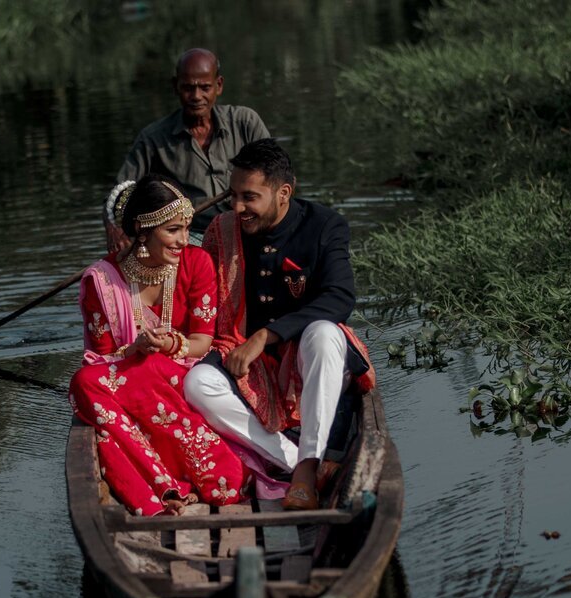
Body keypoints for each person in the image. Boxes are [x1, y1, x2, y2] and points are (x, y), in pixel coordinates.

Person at [182, 139, 375, 511]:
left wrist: (266, 335)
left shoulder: (325, 225)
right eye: (233, 195)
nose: (238, 208)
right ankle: (306, 464)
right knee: (197, 384)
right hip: (241, 355)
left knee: (323, 333)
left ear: (284, 192)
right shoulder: (221, 231)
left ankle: (303, 470)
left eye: (249, 197)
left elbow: (340, 297)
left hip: (307, 357)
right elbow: (198, 291)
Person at [70, 177, 247, 517]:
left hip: (182, 377)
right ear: (142, 229)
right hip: (125, 377)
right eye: (173, 230)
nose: (184, 240)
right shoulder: (102, 280)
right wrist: (133, 350)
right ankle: (165, 486)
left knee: (103, 422)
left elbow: (202, 342)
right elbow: (100, 359)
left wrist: (169, 344)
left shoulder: (197, 263)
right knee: (84, 381)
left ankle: (161, 492)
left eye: (186, 229)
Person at [106, 49, 270, 251]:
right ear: (175, 86)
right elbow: (120, 191)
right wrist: (116, 227)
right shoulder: (153, 138)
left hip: (248, 225)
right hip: (193, 236)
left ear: (218, 86)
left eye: (205, 87)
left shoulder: (245, 122)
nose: (196, 96)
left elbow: (277, 173)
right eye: (188, 88)